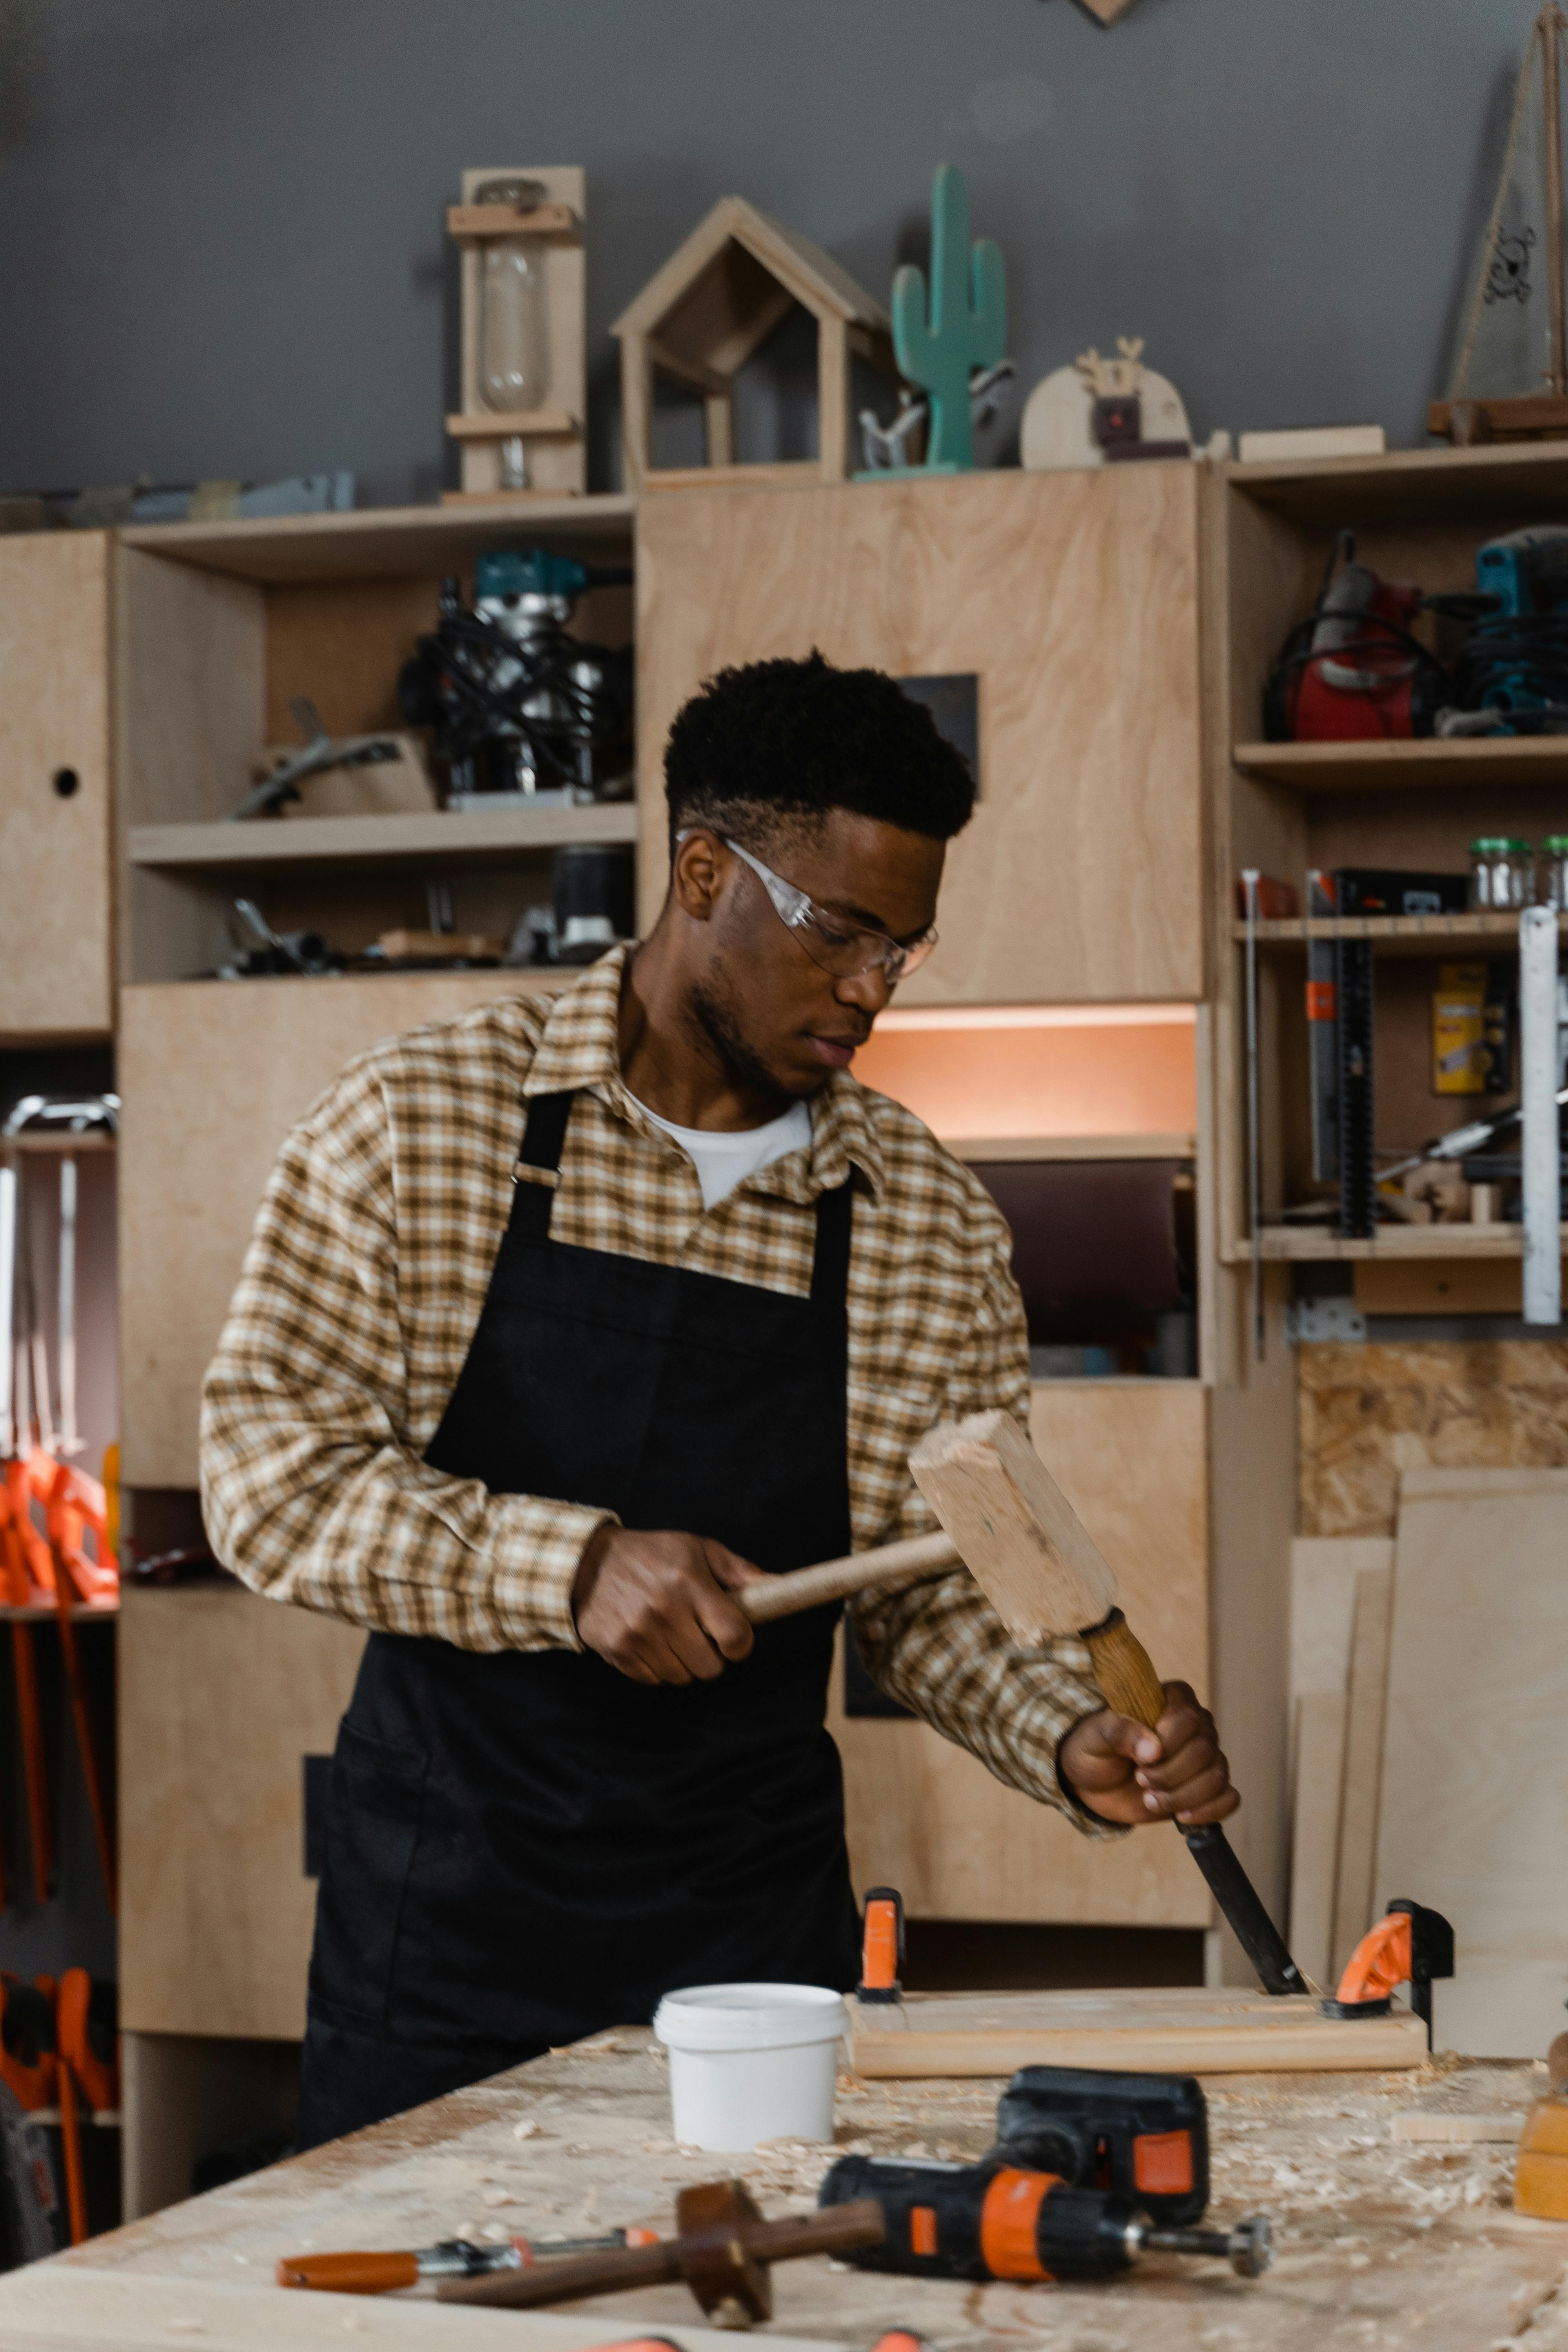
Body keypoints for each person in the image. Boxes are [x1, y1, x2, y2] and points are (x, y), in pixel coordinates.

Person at [201, 651, 1237, 2148]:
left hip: (750, 1953)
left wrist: (1070, 1739)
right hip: (444, 1940)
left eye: (907, 950)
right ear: (704, 871)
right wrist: (571, 1569)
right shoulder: (422, 1125)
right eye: (845, 935)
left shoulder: (923, 1222)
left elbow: (938, 1594)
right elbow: (265, 1476)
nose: (873, 990)